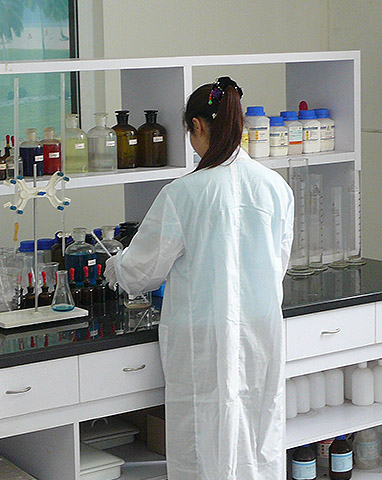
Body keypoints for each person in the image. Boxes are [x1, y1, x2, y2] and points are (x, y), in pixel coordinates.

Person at [104, 77, 294, 479]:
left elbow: (140, 273)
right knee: (258, 428)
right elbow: (278, 262)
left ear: (198, 126)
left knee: (204, 437)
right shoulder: (276, 187)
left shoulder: (184, 193)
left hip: (204, 335)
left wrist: (113, 264)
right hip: (260, 329)